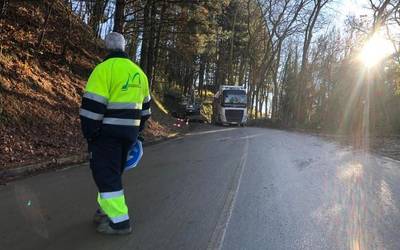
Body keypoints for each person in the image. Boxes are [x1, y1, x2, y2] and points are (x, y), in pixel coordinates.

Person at [79, 32, 151, 235]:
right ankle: (104, 211)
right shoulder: (139, 73)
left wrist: (90, 135)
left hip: (106, 135)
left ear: (106, 50)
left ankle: (120, 222)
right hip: (128, 136)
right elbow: (145, 111)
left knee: (106, 175)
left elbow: (92, 108)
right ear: (123, 48)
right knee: (112, 174)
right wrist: (137, 133)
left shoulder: (103, 70)